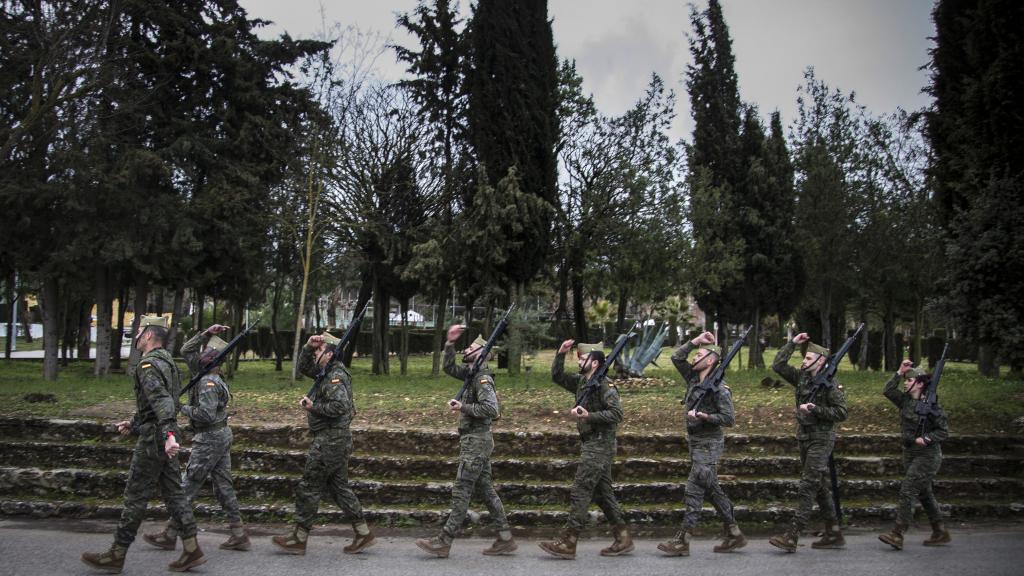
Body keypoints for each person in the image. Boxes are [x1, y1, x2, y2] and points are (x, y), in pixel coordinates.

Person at [81, 315, 206, 573]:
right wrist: (134, 423)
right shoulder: (168, 362)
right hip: (162, 433)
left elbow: (162, 402)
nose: (136, 335)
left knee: (135, 496)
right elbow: (156, 404)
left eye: (139, 331)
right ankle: (192, 549)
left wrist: (167, 435)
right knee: (174, 495)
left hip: (155, 439)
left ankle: (116, 554)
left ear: (148, 334)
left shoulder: (147, 365)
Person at [143, 324, 249, 551]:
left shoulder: (208, 382)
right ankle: (239, 534)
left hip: (210, 437)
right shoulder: (203, 373)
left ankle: (170, 534)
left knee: (187, 484)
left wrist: (182, 408)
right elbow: (186, 350)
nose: (200, 355)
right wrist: (207, 333)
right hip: (219, 435)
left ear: (210, 362)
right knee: (223, 487)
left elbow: (206, 414)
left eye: (206, 353)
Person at [416, 325, 516, 558]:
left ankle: (444, 541)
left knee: (462, 490)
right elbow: (449, 366)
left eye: (471, 347)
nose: (467, 348)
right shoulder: (471, 373)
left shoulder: (482, 379)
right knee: (486, 491)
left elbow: (492, 408)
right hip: (475, 440)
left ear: (481, 354)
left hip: (477, 441)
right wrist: (449, 343)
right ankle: (505, 538)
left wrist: (464, 407)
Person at [271, 332, 375, 555]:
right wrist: (309, 347)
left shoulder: (335, 375)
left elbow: (340, 407)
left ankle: (298, 537)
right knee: (338, 488)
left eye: (319, 350)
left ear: (329, 355)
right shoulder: (325, 372)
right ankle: (363, 532)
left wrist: (312, 408)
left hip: (331, 439)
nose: (317, 353)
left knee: (309, 485)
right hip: (333, 438)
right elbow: (303, 367)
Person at [538, 340, 632, 559]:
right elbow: (557, 376)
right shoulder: (582, 382)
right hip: (590, 442)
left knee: (581, 489)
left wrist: (589, 415)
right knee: (602, 494)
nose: (579, 360)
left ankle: (569, 542)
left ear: (596, 363)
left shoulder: (605, 386)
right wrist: (560, 353)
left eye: (584, 358)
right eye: (579, 357)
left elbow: (617, 414)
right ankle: (623, 536)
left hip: (600, 444)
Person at [658, 331, 746, 556]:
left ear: (710, 361)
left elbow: (729, 419)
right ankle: (734, 532)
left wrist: (705, 416)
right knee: (710, 487)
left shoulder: (720, 388)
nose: (694, 358)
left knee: (694, 488)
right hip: (695, 441)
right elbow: (677, 358)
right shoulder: (693, 378)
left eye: (699, 355)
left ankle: (682, 540)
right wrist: (695, 341)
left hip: (709, 442)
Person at [768, 332, 848, 553]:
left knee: (808, 485)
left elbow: (842, 413)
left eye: (808, 359)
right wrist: (793, 343)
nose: (803, 362)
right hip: (804, 436)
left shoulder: (831, 384)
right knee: (819, 485)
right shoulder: (803, 378)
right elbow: (778, 365)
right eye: (804, 358)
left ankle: (793, 535)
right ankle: (833, 531)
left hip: (821, 438)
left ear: (821, 361)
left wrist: (816, 409)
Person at [878, 359, 952, 549]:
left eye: (908, 380)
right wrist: (899, 371)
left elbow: (943, 431)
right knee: (925, 494)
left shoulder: (932, 406)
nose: (905, 383)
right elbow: (887, 390)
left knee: (908, 489)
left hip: (927, 455)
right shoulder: (905, 401)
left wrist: (926, 439)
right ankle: (940, 531)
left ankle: (897, 533)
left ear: (919, 383)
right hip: (910, 453)